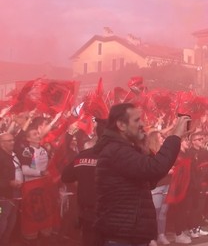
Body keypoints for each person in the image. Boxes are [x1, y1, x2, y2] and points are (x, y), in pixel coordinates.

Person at [94, 103, 189, 246]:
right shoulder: (116, 151)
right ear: (121, 125)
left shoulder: (123, 149)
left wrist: (142, 146)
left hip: (128, 233)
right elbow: (155, 168)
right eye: (137, 120)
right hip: (122, 235)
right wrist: (175, 136)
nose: (142, 124)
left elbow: (149, 179)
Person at [61, 118, 107, 246]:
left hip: (88, 213)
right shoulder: (118, 156)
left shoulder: (82, 156)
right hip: (109, 214)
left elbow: (66, 176)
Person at [144, 130, 171, 246]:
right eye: (160, 137)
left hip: (167, 184)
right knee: (154, 213)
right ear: (154, 139)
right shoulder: (148, 153)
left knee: (163, 213)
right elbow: (151, 170)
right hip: (157, 187)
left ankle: (161, 235)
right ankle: (151, 237)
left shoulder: (163, 153)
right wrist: (166, 170)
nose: (163, 139)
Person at [0, 132, 23, 246]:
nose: (12, 142)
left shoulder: (13, 154)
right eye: (8, 141)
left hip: (15, 195)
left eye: (12, 140)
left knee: (11, 221)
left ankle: (5, 242)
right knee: (1, 221)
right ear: (1, 144)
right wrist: (9, 183)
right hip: (3, 198)